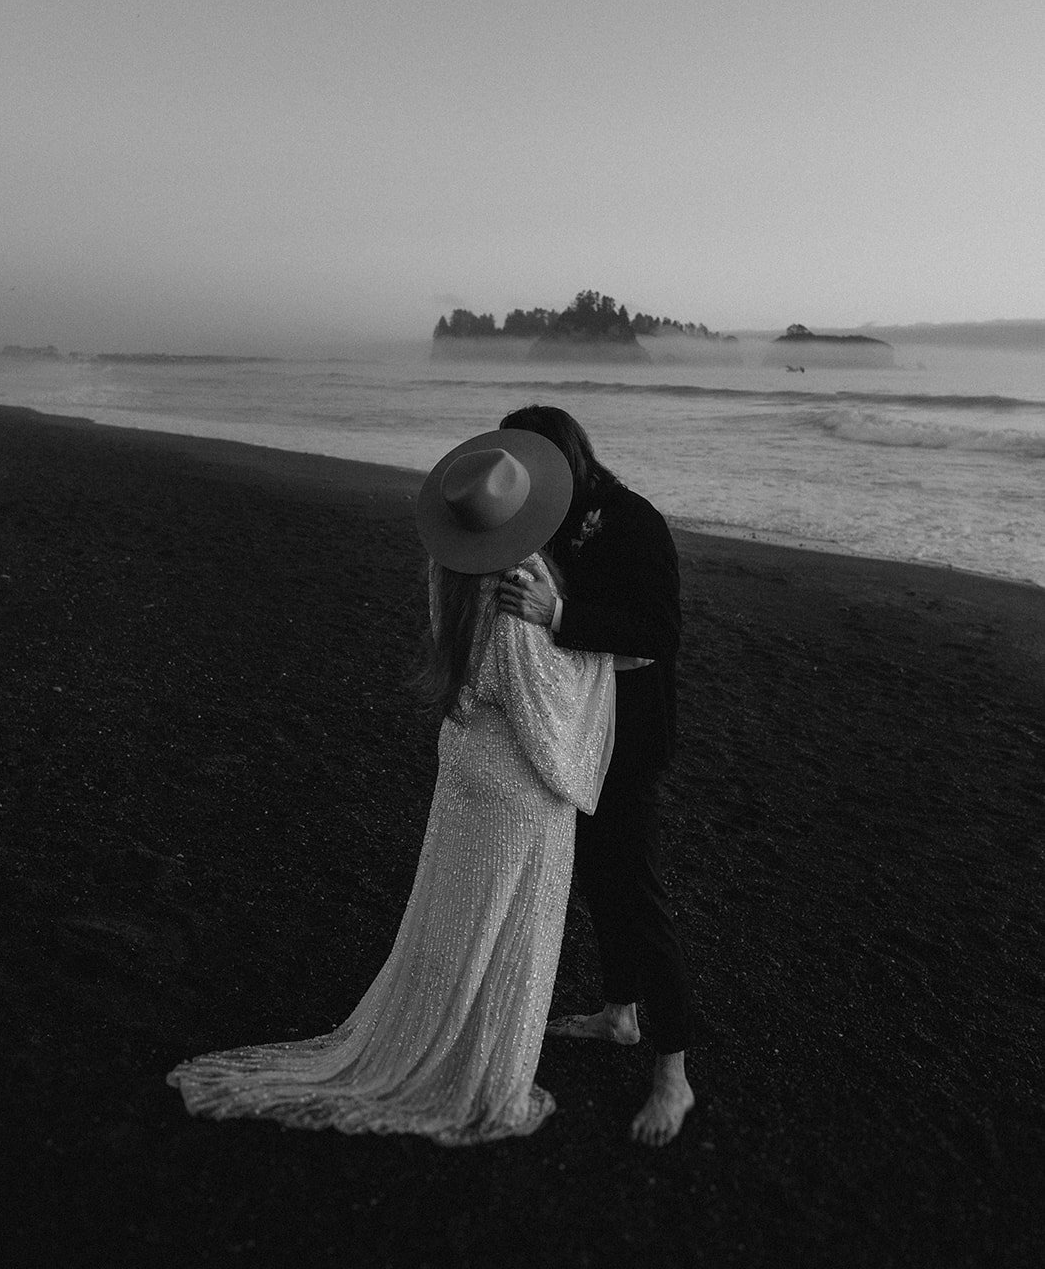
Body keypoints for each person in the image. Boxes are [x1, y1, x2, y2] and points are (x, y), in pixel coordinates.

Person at [167, 429, 615, 1145]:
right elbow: (544, 705)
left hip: (465, 758)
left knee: (453, 919)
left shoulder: (452, 570)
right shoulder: (519, 583)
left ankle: (438, 1042)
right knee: (503, 932)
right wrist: (594, 653)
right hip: (513, 781)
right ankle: (477, 1077)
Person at [498, 406, 695, 1147]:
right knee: (596, 879)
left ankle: (673, 1073)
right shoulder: (542, 520)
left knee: (638, 892)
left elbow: (660, 635)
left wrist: (561, 613)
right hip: (570, 730)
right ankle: (619, 1013)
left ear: (567, 461)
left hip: (629, 737)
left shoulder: (631, 520)